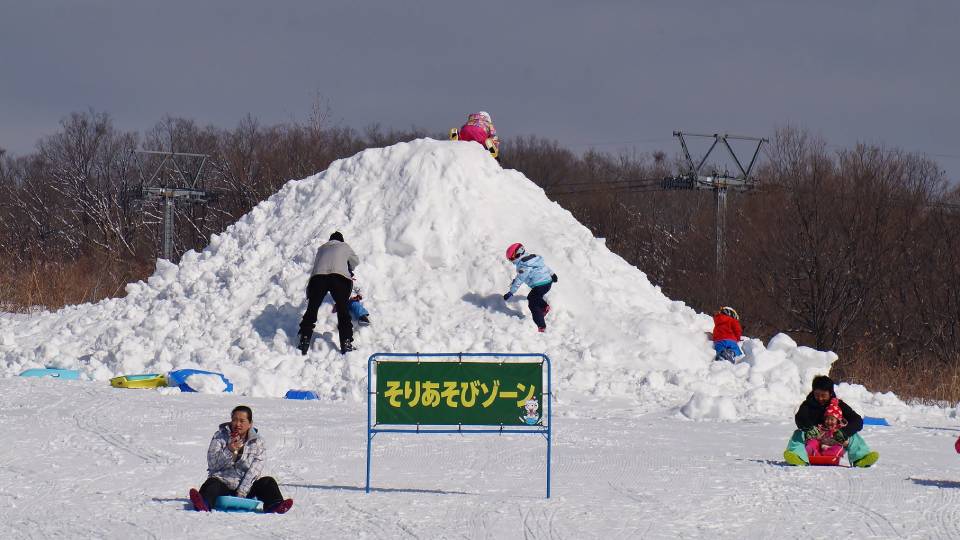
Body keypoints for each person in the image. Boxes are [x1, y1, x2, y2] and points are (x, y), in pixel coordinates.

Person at [188, 406, 293, 514]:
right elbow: (212, 465)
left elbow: (254, 470)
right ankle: (203, 503)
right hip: (223, 482)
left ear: (250, 423)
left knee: (268, 482)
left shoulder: (257, 442)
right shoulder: (220, 436)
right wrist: (229, 450)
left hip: (246, 486)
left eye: (242, 421)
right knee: (212, 483)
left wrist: (242, 492)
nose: (237, 424)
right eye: (234, 420)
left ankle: (275, 505)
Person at [784, 375, 880, 467]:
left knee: (854, 436)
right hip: (813, 438)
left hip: (834, 438)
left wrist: (844, 432)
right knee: (798, 434)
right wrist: (809, 428)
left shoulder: (838, 404)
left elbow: (857, 420)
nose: (820, 398)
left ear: (830, 393)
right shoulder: (807, 404)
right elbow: (800, 418)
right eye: (817, 395)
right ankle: (798, 456)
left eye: (823, 395)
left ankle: (860, 458)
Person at [297, 231, 360, 355]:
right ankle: (346, 342)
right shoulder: (344, 246)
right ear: (341, 240)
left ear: (330, 240)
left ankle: (304, 339)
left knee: (312, 309)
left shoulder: (322, 248)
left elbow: (316, 267)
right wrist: (348, 267)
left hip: (318, 278)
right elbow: (355, 261)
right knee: (343, 310)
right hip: (339, 278)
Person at [502, 243, 558, 333]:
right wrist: (552, 274)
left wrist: (511, 292)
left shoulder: (523, 266)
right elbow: (544, 267)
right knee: (535, 296)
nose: (511, 261)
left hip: (540, 285)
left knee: (532, 303)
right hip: (548, 282)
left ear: (517, 254)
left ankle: (541, 326)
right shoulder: (533, 258)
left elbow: (519, 279)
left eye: (511, 258)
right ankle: (544, 307)